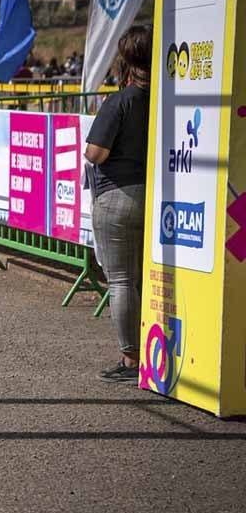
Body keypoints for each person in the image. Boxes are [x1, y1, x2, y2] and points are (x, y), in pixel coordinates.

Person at [85, 25, 151, 383]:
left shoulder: (120, 101)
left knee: (122, 281)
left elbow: (95, 153)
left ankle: (130, 359)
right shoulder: (165, 97)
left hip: (117, 198)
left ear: (125, 59)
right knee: (142, 278)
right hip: (154, 197)